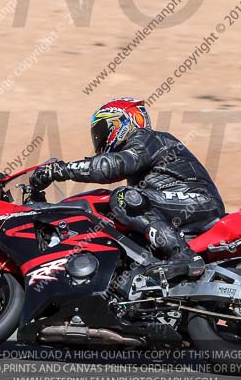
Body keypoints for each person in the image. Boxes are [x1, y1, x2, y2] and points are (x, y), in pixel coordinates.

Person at [30, 97, 225, 279]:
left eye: (102, 130)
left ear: (122, 122)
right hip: (175, 204)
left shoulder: (148, 139)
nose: (100, 138)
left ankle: (183, 255)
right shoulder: (143, 158)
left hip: (197, 200)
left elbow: (111, 167)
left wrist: (58, 170)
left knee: (123, 198)